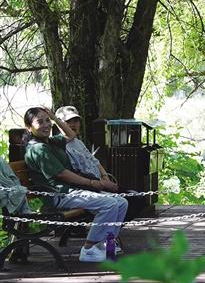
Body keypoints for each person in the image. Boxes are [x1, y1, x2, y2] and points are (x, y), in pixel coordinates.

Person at [23, 107, 128, 262]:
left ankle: (107, 244)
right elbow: (62, 174)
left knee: (121, 202)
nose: (46, 125)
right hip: (59, 195)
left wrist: (54, 118)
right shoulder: (38, 149)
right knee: (110, 204)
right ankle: (89, 249)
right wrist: (92, 182)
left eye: (47, 120)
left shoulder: (50, 142)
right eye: (40, 122)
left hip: (71, 192)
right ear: (29, 127)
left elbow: (71, 135)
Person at [54, 106, 109, 182]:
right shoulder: (57, 144)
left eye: (75, 121)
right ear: (59, 124)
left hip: (99, 181)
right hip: (84, 184)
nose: (72, 125)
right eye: (68, 121)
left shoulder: (78, 142)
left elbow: (94, 160)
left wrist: (105, 177)